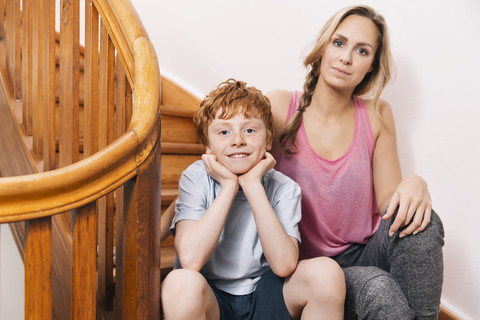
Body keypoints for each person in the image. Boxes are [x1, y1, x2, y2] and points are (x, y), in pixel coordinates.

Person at [266, 5, 445, 320]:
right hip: (312, 271)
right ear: (323, 48)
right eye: (339, 43)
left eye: (361, 50)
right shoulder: (282, 107)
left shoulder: (377, 114)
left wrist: (415, 183)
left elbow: (391, 204)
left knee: (425, 223)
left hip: (366, 253)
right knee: (380, 290)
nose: (346, 57)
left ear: (371, 66)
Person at [160, 79, 345, 320]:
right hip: (211, 297)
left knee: (327, 272)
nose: (238, 140)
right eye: (224, 132)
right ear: (208, 146)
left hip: (265, 292)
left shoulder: (284, 188)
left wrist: (252, 184)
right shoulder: (195, 178)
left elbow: (284, 265)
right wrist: (228, 186)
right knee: (179, 283)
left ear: (268, 140)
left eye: (249, 130)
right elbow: (191, 259)